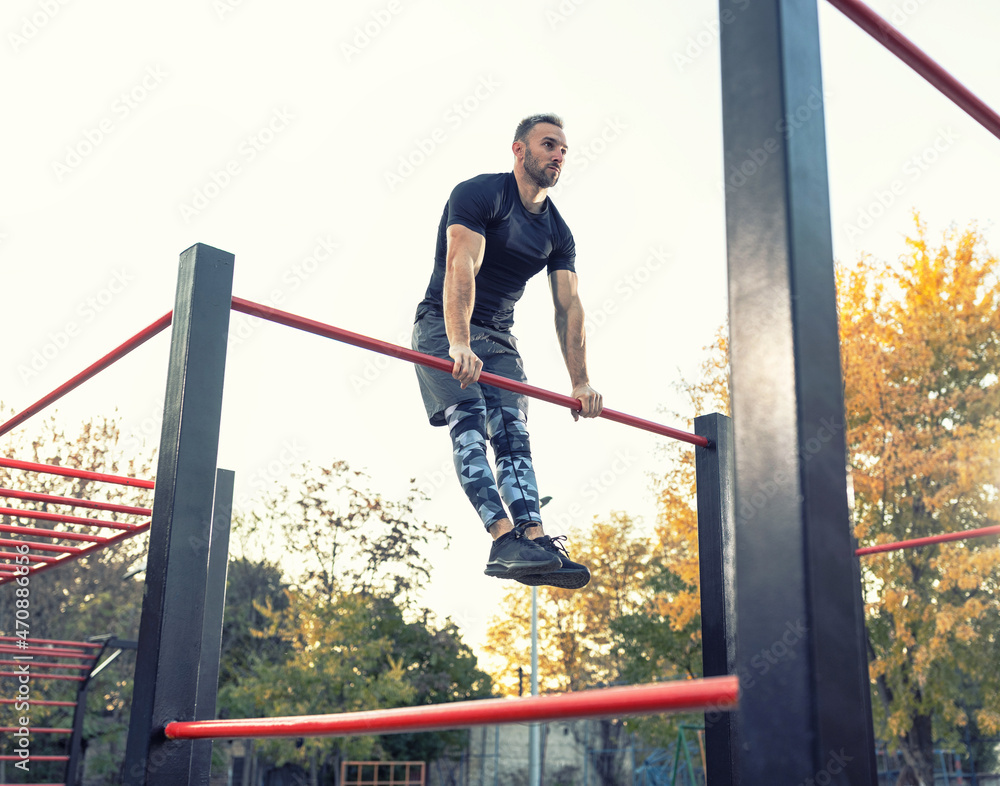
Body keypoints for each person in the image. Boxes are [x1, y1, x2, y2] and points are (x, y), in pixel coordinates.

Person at [411, 113, 603, 590]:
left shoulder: (558, 231)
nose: (558, 155)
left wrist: (580, 381)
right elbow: (461, 268)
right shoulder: (480, 195)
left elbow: (569, 308)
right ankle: (501, 538)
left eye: (563, 149)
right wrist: (458, 341)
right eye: (548, 145)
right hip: (442, 323)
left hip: (498, 338)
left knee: (514, 433)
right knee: (471, 421)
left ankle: (531, 541)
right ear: (519, 150)